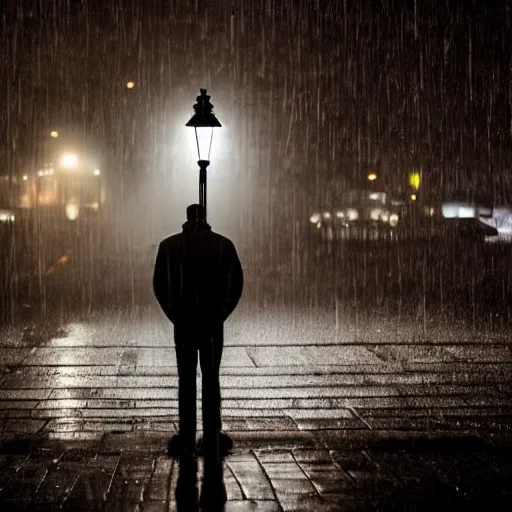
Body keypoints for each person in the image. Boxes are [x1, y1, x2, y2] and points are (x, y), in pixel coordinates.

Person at [153, 203, 243, 502]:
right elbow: (237, 283)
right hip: (211, 322)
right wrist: (221, 312)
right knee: (211, 378)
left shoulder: (169, 247)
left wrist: (174, 313)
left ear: (186, 219)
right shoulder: (222, 245)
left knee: (186, 379)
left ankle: (187, 436)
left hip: (184, 322)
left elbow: (159, 285)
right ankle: (212, 434)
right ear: (204, 219)